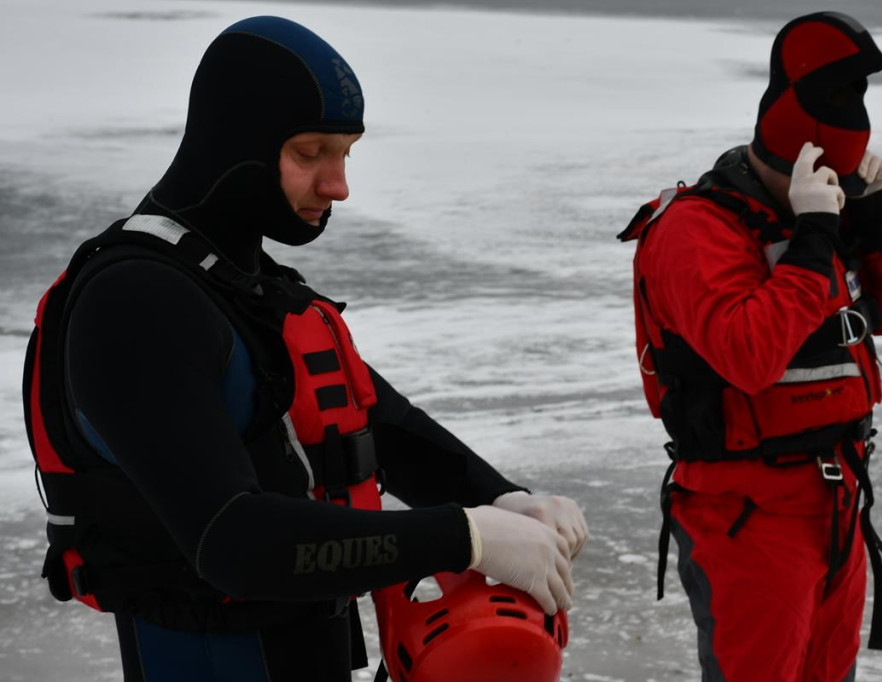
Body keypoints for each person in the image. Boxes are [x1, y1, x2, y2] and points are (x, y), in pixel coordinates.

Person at [23, 16, 587, 681]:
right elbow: (231, 542)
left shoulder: (239, 288)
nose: (339, 185)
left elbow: (378, 424)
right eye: (311, 151)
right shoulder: (136, 304)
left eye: (346, 153)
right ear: (235, 145)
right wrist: (463, 537)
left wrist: (504, 500)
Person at [617, 12, 882, 681]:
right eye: (828, 184)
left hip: (837, 498)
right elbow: (749, 355)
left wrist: (874, 211)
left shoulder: (826, 207)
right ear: (796, 160)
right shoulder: (694, 231)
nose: (834, 197)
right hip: (745, 516)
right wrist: (816, 234)